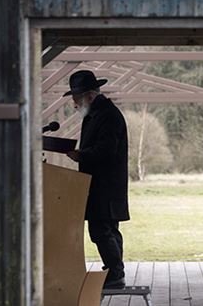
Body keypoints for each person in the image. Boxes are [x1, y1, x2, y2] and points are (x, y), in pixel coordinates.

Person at [63, 69, 129, 290]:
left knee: (101, 230)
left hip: (104, 185)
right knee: (109, 229)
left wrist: (81, 155)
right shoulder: (99, 114)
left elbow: (107, 150)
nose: (75, 104)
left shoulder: (107, 116)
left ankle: (115, 273)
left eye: (76, 100)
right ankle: (114, 271)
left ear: (89, 96)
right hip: (105, 185)